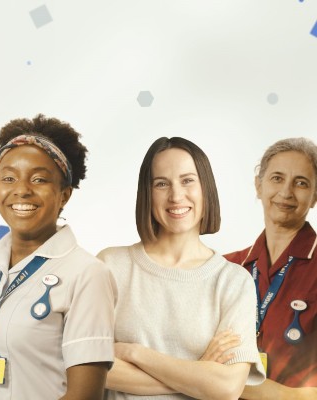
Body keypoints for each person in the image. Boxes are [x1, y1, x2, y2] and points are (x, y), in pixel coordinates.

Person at [0, 114, 116, 400]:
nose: (21, 189)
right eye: (8, 178)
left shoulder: (87, 275)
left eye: (39, 179)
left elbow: (84, 395)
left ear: (64, 195)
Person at [99, 137, 265, 400]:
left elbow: (226, 388)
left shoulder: (233, 282)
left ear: (205, 189)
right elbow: (89, 369)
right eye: (161, 184)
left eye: (187, 180)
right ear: (147, 193)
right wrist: (198, 373)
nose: (176, 195)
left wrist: (135, 353)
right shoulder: (111, 266)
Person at [225, 137, 317, 399]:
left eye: (301, 183)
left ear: (315, 196)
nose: (286, 192)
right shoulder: (226, 268)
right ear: (258, 185)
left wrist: (230, 384)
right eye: (277, 178)